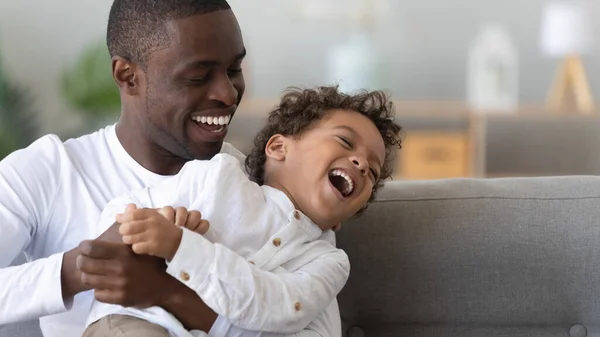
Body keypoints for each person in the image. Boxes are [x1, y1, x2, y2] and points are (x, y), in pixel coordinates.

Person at [0, 0, 260, 336]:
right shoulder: (49, 171)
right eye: (198, 76)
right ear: (128, 76)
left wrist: (168, 292)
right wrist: (85, 268)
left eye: (233, 69)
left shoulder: (259, 184)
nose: (228, 93)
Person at [81, 86, 403, 337]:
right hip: (135, 322)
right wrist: (158, 222)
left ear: (342, 220)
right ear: (278, 148)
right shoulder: (218, 174)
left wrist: (180, 247)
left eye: (372, 173)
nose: (362, 165)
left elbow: (278, 305)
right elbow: (121, 211)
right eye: (345, 142)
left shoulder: (328, 263)